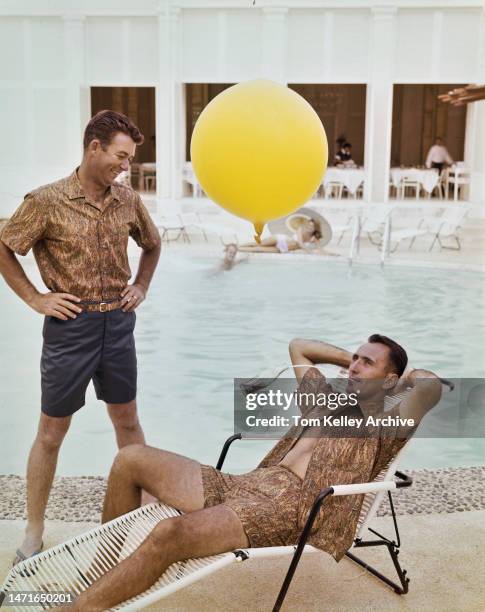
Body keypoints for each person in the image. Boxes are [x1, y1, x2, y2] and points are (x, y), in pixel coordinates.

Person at [55, 335, 441, 612]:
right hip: (247, 484)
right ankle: (100, 575)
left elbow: (428, 383)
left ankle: (79, 609)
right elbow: (299, 345)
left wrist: (381, 388)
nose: (355, 365)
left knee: (168, 534)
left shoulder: (387, 422)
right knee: (132, 458)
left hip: (293, 508)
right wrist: (354, 366)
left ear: (390, 381)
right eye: (355, 358)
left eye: (366, 362)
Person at [0, 110, 162, 565]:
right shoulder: (46, 201)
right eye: (120, 156)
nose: (125, 166)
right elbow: (5, 246)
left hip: (119, 325)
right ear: (94, 147)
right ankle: (33, 531)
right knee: (51, 432)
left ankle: (140, 519)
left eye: (129, 158)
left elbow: (152, 244)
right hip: (70, 330)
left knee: (127, 421)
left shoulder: (128, 200)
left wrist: (142, 286)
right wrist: (35, 298)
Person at [238, 214, 322, 254]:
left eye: (312, 226)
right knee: (258, 244)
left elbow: (321, 250)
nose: (309, 227)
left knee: (259, 249)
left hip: (284, 249)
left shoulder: (314, 238)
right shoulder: (300, 229)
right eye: (309, 225)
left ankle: (238, 249)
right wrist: (310, 251)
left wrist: (332, 255)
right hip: (281, 239)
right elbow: (300, 243)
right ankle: (237, 246)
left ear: (315, 228)